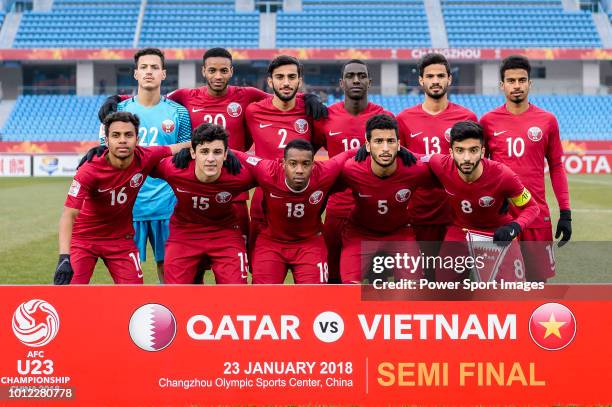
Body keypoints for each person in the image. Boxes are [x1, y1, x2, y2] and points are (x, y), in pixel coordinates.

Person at [96, 48, 328, 248]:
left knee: (240, 255)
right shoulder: (186, 96)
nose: (218, 76)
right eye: (213, 70)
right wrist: (117, 97)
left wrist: (310, 97)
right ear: (204, 72)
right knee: (190, 254)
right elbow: (154, 98)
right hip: (195, 187)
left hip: (234, 189)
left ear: (231, 72)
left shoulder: (247, 96)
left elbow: (282, 93)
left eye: (223, 70)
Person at [54, 112, 190, 285]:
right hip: (84, 240)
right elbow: (69, 214)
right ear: (107, 140)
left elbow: (181, 146)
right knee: (69, 293)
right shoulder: (89, 169)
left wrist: (228, 152)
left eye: (128, 135)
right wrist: (64, 257)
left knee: (134, 298)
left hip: (120, 240)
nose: (123, 140)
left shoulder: (146, 156)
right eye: (116, 135)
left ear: (138, 139)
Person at [480, 55, 571, 282]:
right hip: (502, 217)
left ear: (530, 83)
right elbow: (482, 169)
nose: (517, 86)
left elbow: (557, 167)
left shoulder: (547, 120)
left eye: (522, 80)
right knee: (504, 285)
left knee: (537, 284)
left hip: (536, 213)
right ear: (502, 85)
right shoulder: (488, 121)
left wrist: (566, 212)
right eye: (511, 81)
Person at [108, 48, 191, 283]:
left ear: (163, 74)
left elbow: (186, 152)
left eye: (154, 67)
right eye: (143, 67)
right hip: (128, 206)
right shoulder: (119, 111)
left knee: (168, 271)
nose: (149, 72)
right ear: (135, 73)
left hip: (167, 203)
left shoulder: (178, 113)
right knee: (127, 274)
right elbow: (106, 152)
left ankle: (172, 316)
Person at [396, 53, 478, 280]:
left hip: (457, 215)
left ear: (449, 79)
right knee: (422, 282)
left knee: (454, 284)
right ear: (421, 80)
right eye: (429, 76)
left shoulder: (466, 117)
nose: (435, 81)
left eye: (440, 75)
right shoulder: (403, 119)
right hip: (417, 213)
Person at [426, 121, 540, 282]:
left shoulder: (503, 175)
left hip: (498, 235)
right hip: (460, 232)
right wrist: (399, 150)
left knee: (513, 291)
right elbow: (416, 159)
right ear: (451, 152)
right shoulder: (440, 164)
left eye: (473, 150)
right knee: (444, 287)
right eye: (460, 150)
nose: (466, 158)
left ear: (482, 152)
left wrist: (514, 227)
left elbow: (532, 208)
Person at [313, 59, 394, 283]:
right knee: (334, 279)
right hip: (337, 209)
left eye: (361, 75)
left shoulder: (384, 118)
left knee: (379, 282)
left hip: (373, 212)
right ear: (341, 83)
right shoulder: (326, 118)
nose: (356, 80)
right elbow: (308, 158)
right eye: (350, 76)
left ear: (370, 81)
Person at [150, 124, 252, 284]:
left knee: (236, 292)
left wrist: (239, 156)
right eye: (204, 151)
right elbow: (140, 162)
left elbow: (272, 173)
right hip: (184, 232)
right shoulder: (174, 169)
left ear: (226, 154)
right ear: (192, 152)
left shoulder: (240, 175)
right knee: (174, 294)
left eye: (217, 152)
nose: (210, 159)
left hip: (224, 233)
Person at [339, 114, 434, 284]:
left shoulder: (415, 169)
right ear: (367, 145)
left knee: (415, 287)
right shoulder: (350, 169)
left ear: (399, 145)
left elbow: (448, 178)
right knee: (349, 289)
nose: (385, 148)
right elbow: (322, 185)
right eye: (378, 141)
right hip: (360, 233)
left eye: (390, 141)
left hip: (399, 232)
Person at [244, 139, 355, 284]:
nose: (299, 170)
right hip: (271, 243)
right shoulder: (268, 171)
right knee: (264, 300)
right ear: (283, 164)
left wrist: (371, 149)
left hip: (310, 243)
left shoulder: (325, 171)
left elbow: (347, 155)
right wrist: (227, 154)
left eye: (306, 164)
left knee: (313, 300)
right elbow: (242, 157)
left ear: (313, 165)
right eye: (293, 163)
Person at [245, 55, 320, 256]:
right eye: (279, 77)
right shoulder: (252, 111)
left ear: (299, 80)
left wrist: (309, 97)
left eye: (291, 77)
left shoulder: (310, 111)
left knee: (308, 268)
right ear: (270, 81)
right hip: (263, 202)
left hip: (302, 201)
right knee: (261, 274)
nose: (286, 82)